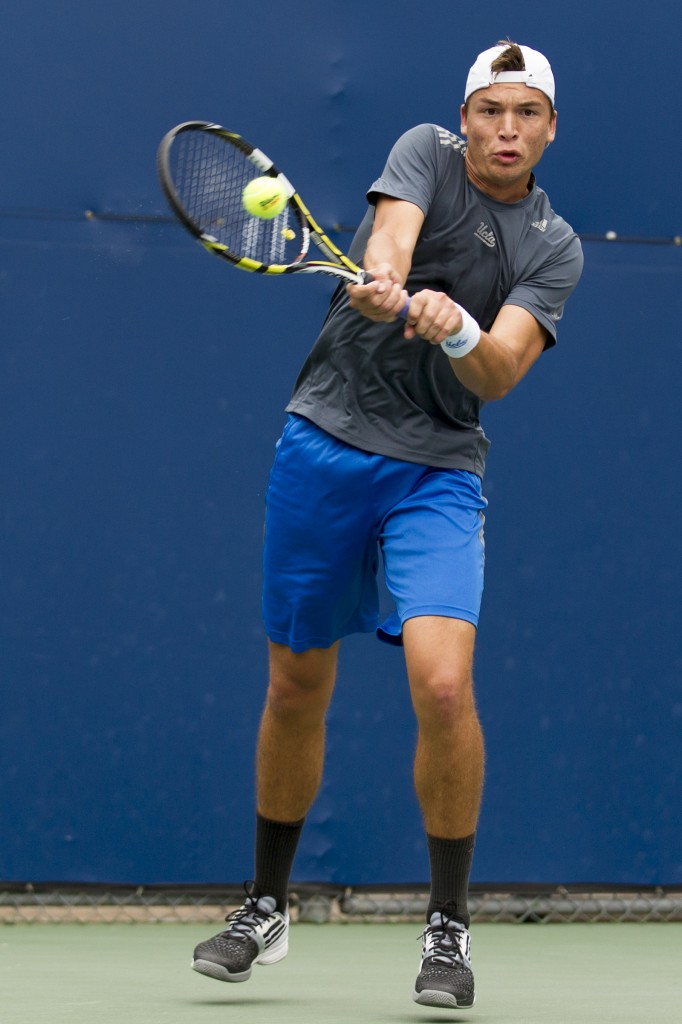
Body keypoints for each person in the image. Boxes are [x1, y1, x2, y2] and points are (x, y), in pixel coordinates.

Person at [191, 40, 583, 1010]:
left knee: (444, 688)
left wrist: (453, 326)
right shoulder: (422, 153)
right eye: (488, 110)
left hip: (438, 470)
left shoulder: (553, 246)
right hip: (325, 441)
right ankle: (265, 905)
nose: (504, 129)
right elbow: (390, 244)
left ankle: (446, 927)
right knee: (295, 683)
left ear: (548, 129)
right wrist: (386, 278)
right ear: (463, 120)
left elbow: (496, 371)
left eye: (523, 113)